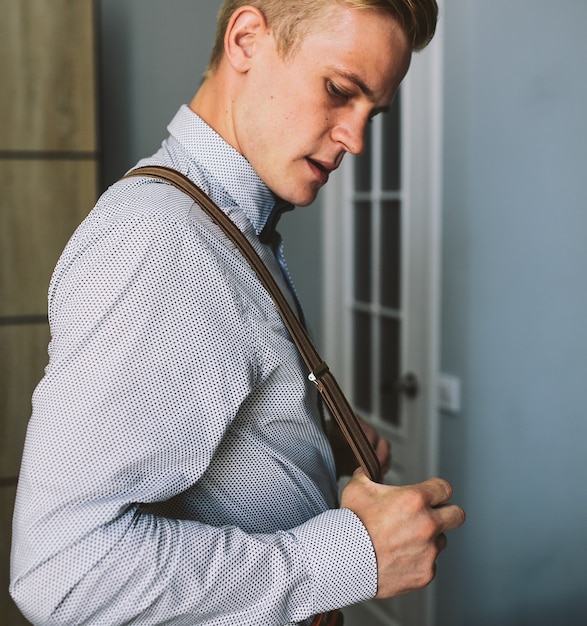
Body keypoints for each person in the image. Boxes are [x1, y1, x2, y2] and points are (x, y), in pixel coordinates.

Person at [10, 1, 465, 625]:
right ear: (247, 39)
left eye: (372, 112)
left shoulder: (232, 228)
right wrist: (353, 555)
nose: (355, 140)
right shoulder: (166, 245)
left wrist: (306, 434)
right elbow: (62, 574)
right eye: (338, 91)